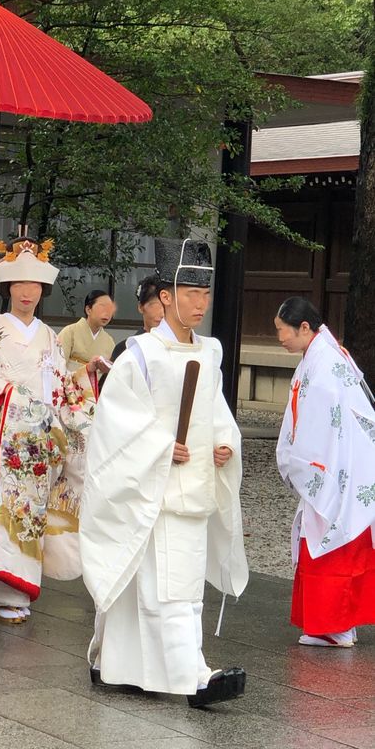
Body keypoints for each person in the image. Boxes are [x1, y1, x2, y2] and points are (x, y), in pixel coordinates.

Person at [81, 237, 248, 707]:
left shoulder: (209, 353)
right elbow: (115, 420)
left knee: (172, 584)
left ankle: (112, 660)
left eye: (206, 293)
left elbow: (217, 411)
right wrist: (157, 448)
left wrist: (223, 444)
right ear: (167, 297)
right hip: (152, 485)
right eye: (191, 293)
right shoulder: (139, 354)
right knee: (167, 589)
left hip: (194, 485)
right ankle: (193, 676)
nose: (201, 303)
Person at [0, 234, 99, 624]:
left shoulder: (50, 337)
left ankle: (21, 587)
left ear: (42, 289)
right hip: (3, 438)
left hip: (38, 446)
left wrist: (86, 375)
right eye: (20, 284)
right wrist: (10, 396)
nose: (27, 292)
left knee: (28, 515)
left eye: (34, 285)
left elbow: (64, 387)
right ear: (9, 288)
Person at [274, 297, 375, 648]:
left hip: (334, 469)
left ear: (304, 327)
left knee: (330, 544)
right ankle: (338, 624)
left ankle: (337, 627)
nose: (279, 337)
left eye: (282, 329)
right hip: (344, 466)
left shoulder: (326, 363)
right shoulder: (324, 356)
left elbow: (322, 426)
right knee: (341, 543)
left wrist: (302, 464)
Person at [58, 290, 116, 373]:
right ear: (88, 310)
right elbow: (57, 366)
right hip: (70, 383)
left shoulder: (109, 341)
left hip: (97, 385)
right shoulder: (70, 332)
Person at [111, 274, 164, 363]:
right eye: (156, 305)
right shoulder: (125, 348)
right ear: (140, 307)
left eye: (167, 307)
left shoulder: (178, 346)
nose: (162, 313)